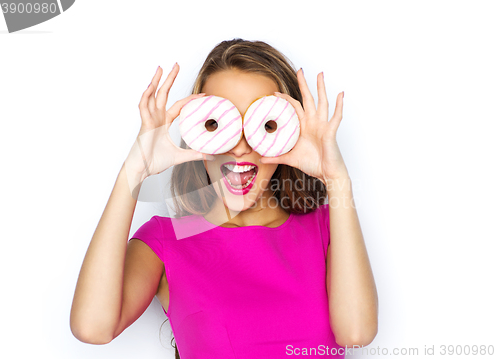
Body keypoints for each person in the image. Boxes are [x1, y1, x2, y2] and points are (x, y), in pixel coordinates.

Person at [70, 38, 378, 358]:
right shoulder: (167, 239)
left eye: (265, 125)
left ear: (288, 133)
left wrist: (337, 180)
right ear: (197, 130)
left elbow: (356, 332)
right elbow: (93, 327)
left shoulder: (325, 228)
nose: (241, 146)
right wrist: (132, 173)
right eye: (218, 124)